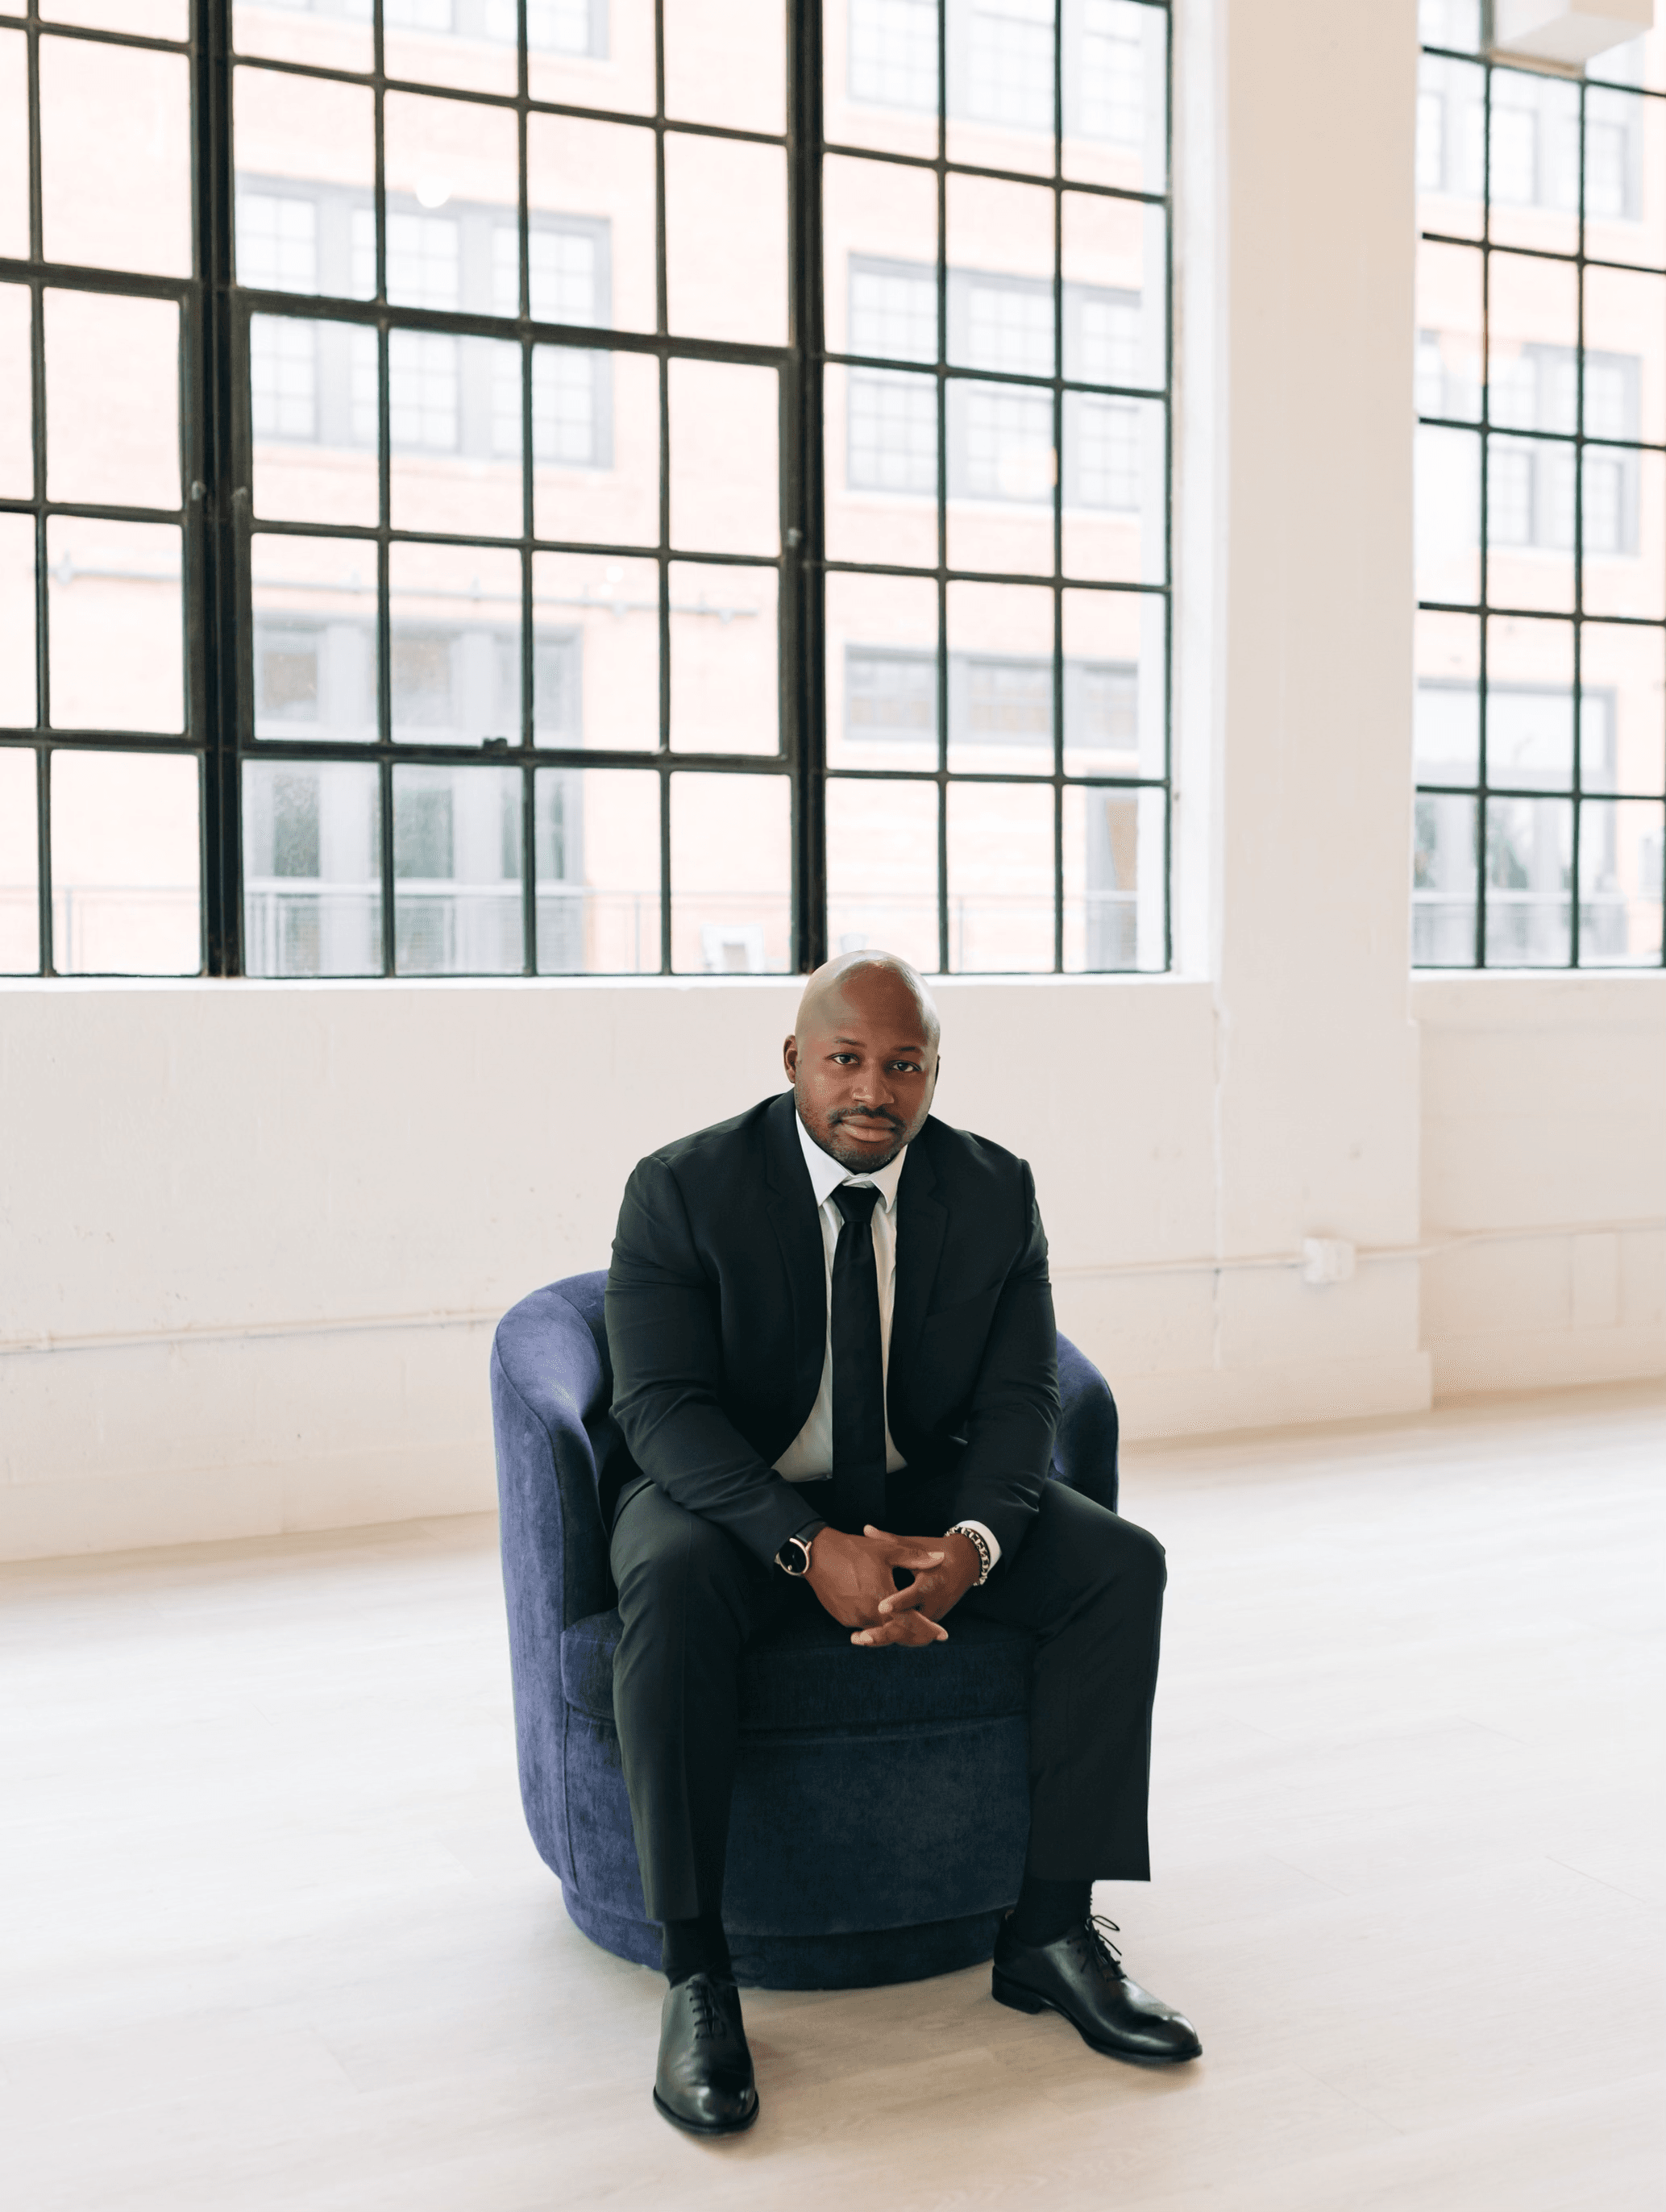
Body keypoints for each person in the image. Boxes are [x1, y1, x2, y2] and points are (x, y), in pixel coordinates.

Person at [604, 951, 1200, 2135]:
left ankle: (1046, 1931)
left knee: (1118, 1566)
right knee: (666, 1584)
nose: (872, 1089)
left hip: (921, 1498)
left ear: (932, 1074)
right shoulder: (681, 1187)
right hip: (734, 1499)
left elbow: (1026, 1395)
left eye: (903, 1064)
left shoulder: (991, 1187)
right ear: (793, 1062)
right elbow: (660, 1408)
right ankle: (696, 1972)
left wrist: (973, 1543)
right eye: (845, 1059)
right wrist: (803, 1546)